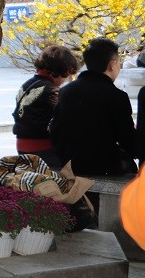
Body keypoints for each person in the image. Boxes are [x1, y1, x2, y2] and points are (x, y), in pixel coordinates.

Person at [50, 37, 138, 176]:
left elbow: (55, 130)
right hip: (101, 166)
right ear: (112, 65)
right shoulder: (116, 96)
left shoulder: (66, 91)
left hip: (68, 163)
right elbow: (128, 140)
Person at [13, 45, 80, 169]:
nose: (64, 80)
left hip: (22, 146)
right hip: (43, 149)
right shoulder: (51, 91)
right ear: (59, 71)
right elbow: (62, 122)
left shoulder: (27, 85)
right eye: (65, 75)